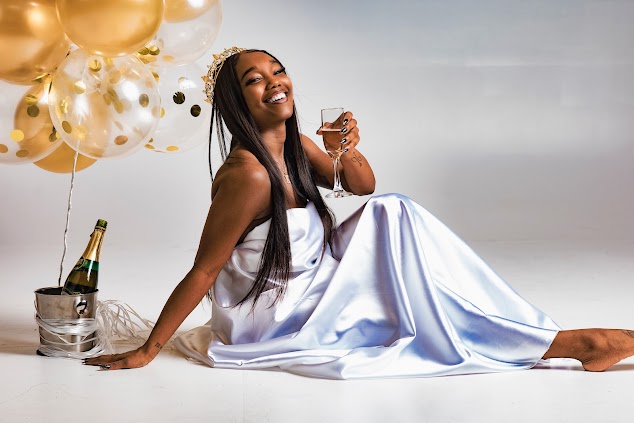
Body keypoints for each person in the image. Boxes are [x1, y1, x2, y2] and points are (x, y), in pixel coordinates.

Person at [85, 47, 634, 378]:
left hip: (310, 280)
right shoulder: (249, 175)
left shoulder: (296, 145)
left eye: (278, 71)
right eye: (255, 80)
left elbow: (362, 186)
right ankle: (571, 343)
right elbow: (206, 270)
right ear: (236, 103)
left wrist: (345, 147)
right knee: (397, 238)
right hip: (272, 315)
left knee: (393, 214)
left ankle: (560, 339)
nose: (275, 83)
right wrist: (148, 351)